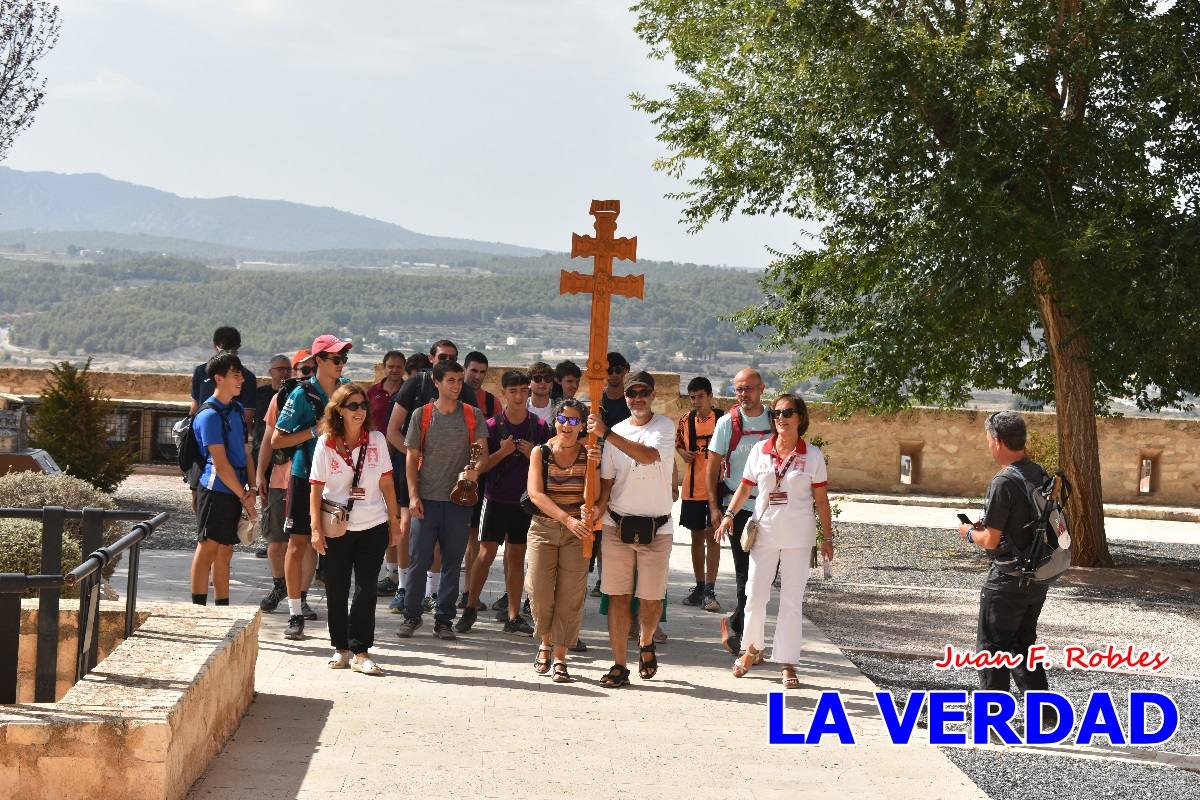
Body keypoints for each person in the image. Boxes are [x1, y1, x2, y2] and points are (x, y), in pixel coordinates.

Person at [715, 393, 832, 689]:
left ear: (800, 417)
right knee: (754, 593)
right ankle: (751, 649)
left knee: (791, 602)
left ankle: (787, 662)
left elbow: (821, 501)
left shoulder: (813, 455)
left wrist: (827, 537)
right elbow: (744, 488)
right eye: (777, 413)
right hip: (765, 532)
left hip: (798, 536)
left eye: (788, 412)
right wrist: (729, 514)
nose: (781, 418)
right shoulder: (760, 451)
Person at [309, 383, 402, 676]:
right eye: (353, 406)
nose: (360, 411)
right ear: (339, 410)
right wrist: (315, 528)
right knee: (336, 588)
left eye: (363, 405)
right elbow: (316, 489)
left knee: (366, 590)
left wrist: (395, 521)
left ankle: (361, 650)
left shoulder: (376, 439)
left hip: (373, 524)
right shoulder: (326, 443)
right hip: (337, 527)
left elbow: (387, 482)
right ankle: (341, 648)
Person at [958, 411, 1053, 694]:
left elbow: (989, 540)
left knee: (992, 650)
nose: (988, 445)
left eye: (988, 439)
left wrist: (969, 533)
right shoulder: (1038, 473)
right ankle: (1046, 714)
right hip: (1037, 577)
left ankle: (993, 718)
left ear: (997, 441)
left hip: (1006, 579)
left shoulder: (1003, 482)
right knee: (1023, 646)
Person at [591, 370, 676, 687]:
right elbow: (607, 483)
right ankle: (619, 664)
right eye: (632, 393)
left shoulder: (664, 428)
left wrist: (606, 436)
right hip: (617, 525)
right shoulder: (615, 430)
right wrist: (593, 514)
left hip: (657, 528)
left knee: (651, 599)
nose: (637, 398)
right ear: (625, 397)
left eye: (643, 392)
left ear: (653, 395)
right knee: (617, 597)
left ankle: (646, 640)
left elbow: (650, 456)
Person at [397, 359, 489, 640]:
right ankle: (411, 615)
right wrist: (413, 496)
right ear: (436, 383)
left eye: (459, 380)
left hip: (460, 501)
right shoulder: (421, 415)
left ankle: (444, 620)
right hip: (426, 498)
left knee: (453, 561)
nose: (457, 385)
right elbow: (411, 458)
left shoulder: (473, 415)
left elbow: (483, 454)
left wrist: (475, 471)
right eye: (451, 380)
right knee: (419, 560)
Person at [456, 369, 550, 634]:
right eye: (513, 391)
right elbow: (481, 465)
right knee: (484, 555)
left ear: (528, 392)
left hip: (525, 502)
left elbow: (550, 464)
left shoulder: (540, 427)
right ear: (504, 393)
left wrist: (534, 453)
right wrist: (503, 451)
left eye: (523, 390)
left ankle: (512, 615)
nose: (518, 396)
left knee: (516, 557)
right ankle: (471, 607)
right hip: (495, 499)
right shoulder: (493, 425)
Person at [273, 334, 353, 639]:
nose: (341, 363)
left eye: (343, 358)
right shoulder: (301, 395)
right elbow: (277, 440)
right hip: (305, 477)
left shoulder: (347, 391)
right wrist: (312, 431)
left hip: (339, 481)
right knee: (299, 543)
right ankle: (295, 613)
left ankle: (338, 617)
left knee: (339, 547)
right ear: (318, 361)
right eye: (335, 359)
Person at [525, 398, 597, 683]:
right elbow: (536, 494)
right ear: (555, 421)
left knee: (570, 596)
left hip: (576, 535)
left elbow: (599, 494)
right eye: (562, 420)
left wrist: (590, 513)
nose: (567, 426)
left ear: (582, 425)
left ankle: (560, 656)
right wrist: (567, 518)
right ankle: (545, 640)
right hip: (544, 528)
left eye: (574, 421)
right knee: (540, 591)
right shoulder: (540, 453)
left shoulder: (590, 454)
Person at [706, 368, 773, 656]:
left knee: (766, 578)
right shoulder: (727, 424)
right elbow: (711, 468)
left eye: (749, 388)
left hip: (772, 510)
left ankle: (736, 622)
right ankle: (744, 638)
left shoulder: (776, 420)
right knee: (746, 574)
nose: (744, 394)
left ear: (762, 389)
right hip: (738, 508)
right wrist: (714, 508)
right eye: (739, 389)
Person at [189, 351, 257, 606]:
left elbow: (245, 451)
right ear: (219, 378)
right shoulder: (208, 416)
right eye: (235, 375)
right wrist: (244, 496)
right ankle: (198, 608)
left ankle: (222, 607)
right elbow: (221, 463)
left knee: (226, 550)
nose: (241, 380)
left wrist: (253, 488)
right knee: (207, 547)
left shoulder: (237, 410)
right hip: (216, 489)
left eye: (241, 375)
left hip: (236, 489)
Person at [255, 349, 315, 612]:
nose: (307, 374)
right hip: (280, 478)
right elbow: (269, 439)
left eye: (311, 369)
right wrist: (260, 474)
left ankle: (300, 596)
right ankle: (280, 585)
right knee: (276, 540)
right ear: (294, 372)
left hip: (312, 480)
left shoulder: (326, 400)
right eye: (302, 370)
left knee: (306, 543)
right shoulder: (281, 399)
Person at [676, 376, 723, 611]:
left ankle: (710, 590)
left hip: (717, 488)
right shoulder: (685, 420)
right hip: (692, 489)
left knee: (713, 536)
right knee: (696, 537)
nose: (696, 401)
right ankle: (699, 586)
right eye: (692, 397)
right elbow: (677, 443)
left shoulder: (723, 420)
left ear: (710, 396)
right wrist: (683, 453)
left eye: (700, 397)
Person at [587, 351, 631, 597]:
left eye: (618, 369)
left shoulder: (631, 402)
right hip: (597, 468)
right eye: (609, 370)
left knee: (611, 529)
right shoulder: (596, 401)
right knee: (596, 523)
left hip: (623, 470)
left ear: (626, 370)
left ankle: (605, 579)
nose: (614, 374)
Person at [459, 351, 500, 610]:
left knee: (474, 536)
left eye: (482, 372)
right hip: (449, 473)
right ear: (464, 370)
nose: (477, 376)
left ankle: (467, 591)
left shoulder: (491, 402)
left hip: (479, 476)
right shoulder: (450, 397)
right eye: (473, 371)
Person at [368, 350, 406, 596]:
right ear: (384, 367)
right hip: (374, 461)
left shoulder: (407, 392)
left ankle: (395, 574)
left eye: (398, 366)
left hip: (399, 461)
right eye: (390, 366)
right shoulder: (372, 393)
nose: (394, 370)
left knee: (396, 516)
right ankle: (385, 569)